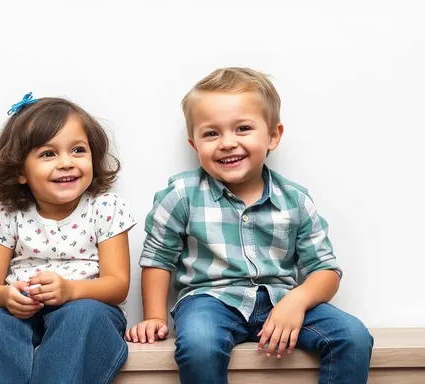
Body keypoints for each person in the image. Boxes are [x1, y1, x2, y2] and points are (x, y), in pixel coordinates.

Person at [126, 68, 374, 384]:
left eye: (243, 128)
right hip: (210, 301)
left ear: (273, 135)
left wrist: (296, 302)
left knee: (352, 336)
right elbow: (158, 261)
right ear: (194, 144)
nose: (227, 143)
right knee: (199, 344)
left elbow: (326, 270)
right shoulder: (180, 196)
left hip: (282, 301)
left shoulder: (295, 200)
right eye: (211, 133)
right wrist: (154, 317)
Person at [0, 93, 136, 384]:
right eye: (48, 154)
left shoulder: (105, 207)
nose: (66, 162)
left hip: (85, 309)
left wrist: (70, 291)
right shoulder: (8, 212)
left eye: (78, 150)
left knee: (84, 316)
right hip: (21, 314)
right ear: (21, 171)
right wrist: (6, 296)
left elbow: (117, 286)